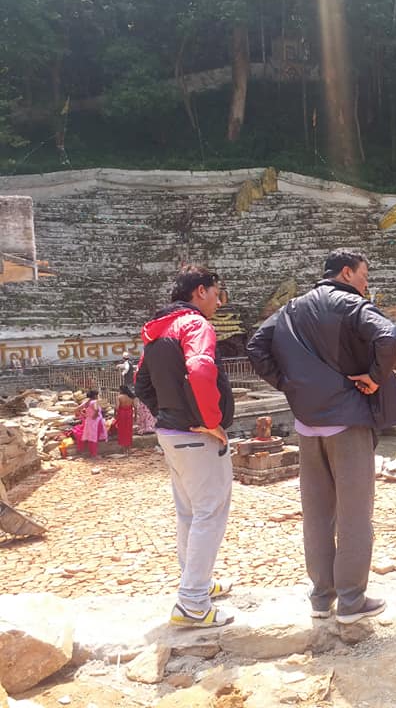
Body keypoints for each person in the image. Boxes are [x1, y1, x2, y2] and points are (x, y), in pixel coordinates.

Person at [247, 249, 396, 625]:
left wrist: (288, 384)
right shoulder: (351, 305)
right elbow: (389, 334)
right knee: (354, 515)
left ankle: (322, 598)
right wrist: (374, 377)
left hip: (307, 425)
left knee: (317, 513)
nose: (366, 284)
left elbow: (256, 346)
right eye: (364, 276)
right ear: (346, 273)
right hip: (347, 422)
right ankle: (351, 601)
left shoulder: (291, 309)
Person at [135, 264, 236, 628]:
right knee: (209, 513)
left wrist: (169, 413)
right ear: (200, 292)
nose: (218, 303)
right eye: (216, 294)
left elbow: (141, 383)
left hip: (171, 435)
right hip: (197, 438)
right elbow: (201, 369)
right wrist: (210, 421)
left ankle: (197, 583)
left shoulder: (158, 328)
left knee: (189, 514)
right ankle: (193, 602)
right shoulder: (194, 325)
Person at [74, 389, 107, 457]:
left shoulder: (86, 402)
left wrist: (84, 415)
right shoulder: (94, 402)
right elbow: (96, 410)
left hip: (89, 421)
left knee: (91, 437)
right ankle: (94, 454)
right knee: (95, 437)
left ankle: (92, 453)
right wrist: (95, 416)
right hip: (96, 421)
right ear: (95, 396)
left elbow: (76, 409)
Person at [115, 385, 135, 451]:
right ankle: (129, 448)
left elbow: (117, 407)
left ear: (121, 390)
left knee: (122, 430)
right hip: (129, 414)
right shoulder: (131, 397)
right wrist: (135, 416)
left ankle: (123, 448)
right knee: (129, 430)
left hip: (122, 414)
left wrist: (115, 414)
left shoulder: (119, 397)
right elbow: (135, 407)